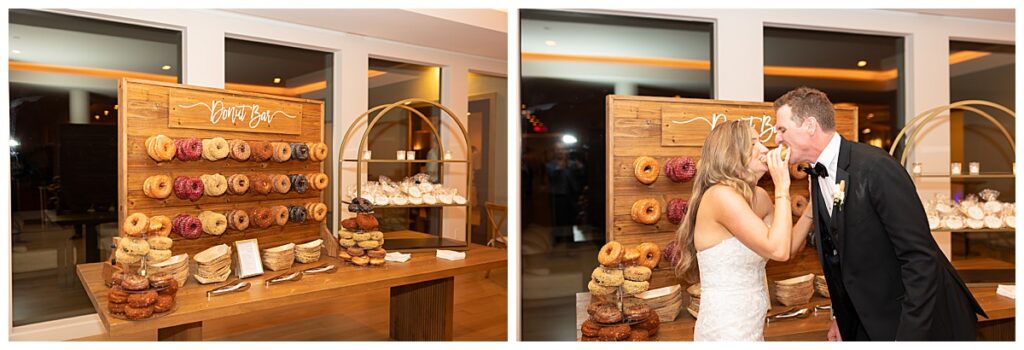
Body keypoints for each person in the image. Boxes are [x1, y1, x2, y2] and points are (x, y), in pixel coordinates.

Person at [773, 86, 986, 341]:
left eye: (782, 129)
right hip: (868, 319)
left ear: (810, 125)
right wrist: (841, 317)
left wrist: (909, 338)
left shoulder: (877, 168)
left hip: (918, 321)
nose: (777, 139)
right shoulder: (818, 175)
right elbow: (838, 258)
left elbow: (920, 259)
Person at [673, 120, 815, 341]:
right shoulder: (721, 196)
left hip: (754, 322)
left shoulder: (759, 196)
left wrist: (811, 206)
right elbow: (778, 251)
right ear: (731, 154)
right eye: (754, 143)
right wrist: (782, 188)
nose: (765, 149)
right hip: (725, 326)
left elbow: (787, 247)